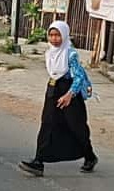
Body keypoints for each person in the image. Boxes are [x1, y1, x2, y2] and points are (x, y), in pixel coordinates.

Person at [18, 21, 97, 176]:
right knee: (47, 124)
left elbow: (79, 76)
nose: (54, 39)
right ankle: (38, 161)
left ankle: (90, 156)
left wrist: (69, 95)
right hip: (53, 89)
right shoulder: (50, 53)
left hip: (69, 93)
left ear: (64, 35)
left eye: (57, 35)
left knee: (76, 127)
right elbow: (54, 74)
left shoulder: (70, 53)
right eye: (51, 35)